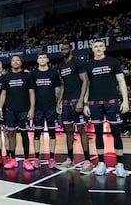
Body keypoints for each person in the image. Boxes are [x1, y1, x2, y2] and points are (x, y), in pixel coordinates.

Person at [83, 39, 129, 177]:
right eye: (95, 46)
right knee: (97, 133)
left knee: (116, 132)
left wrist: (125, 101)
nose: (98, 48)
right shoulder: (88, 65)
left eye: (100, 46)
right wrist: (85, 103)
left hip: (112, 101)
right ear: (92, 49)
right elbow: (86, 86)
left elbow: (121, 81)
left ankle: (119, 165)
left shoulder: (113, 62)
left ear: (104, 48)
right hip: (94, 103)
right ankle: (101, 164)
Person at [56, 43, 93, 173]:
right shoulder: (61, 66)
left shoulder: (77, 62)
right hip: (66, 102)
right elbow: (62, 85)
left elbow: (85, 81)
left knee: (82, 130)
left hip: (76, 101)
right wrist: (59, 102)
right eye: (62, 49)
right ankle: (70, 159)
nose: (64, 50)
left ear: (71, 49)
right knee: (68, 131)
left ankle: (88, 161)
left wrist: (81, 101)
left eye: (66, 48)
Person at [0, 55, 35, 171]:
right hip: (10, 111)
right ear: (11, 63)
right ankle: (13, 159)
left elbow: (32, 93)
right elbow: (3, 94)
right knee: (11, 134)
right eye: (13, 60)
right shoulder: (6, 77)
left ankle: (27, 160)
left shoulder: (27, 76)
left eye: (17, 60)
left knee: (25, 134)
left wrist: (32, 109)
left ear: (21, 63)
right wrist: (0, 108)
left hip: (24, 110)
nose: (15, 62)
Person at [31, 51, 60, 169]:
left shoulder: (53, 73)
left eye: (44, 58)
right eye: (40, 58)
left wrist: (57, 103)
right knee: (37, 134)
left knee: (52, 134)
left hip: (50, 108)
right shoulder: (33, 74)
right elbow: (31, 92)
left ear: (47, 60)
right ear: (37, 60)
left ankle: (52, 158)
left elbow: (57, 90)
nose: (42, 59)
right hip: (38, 108)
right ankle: (37, 158)